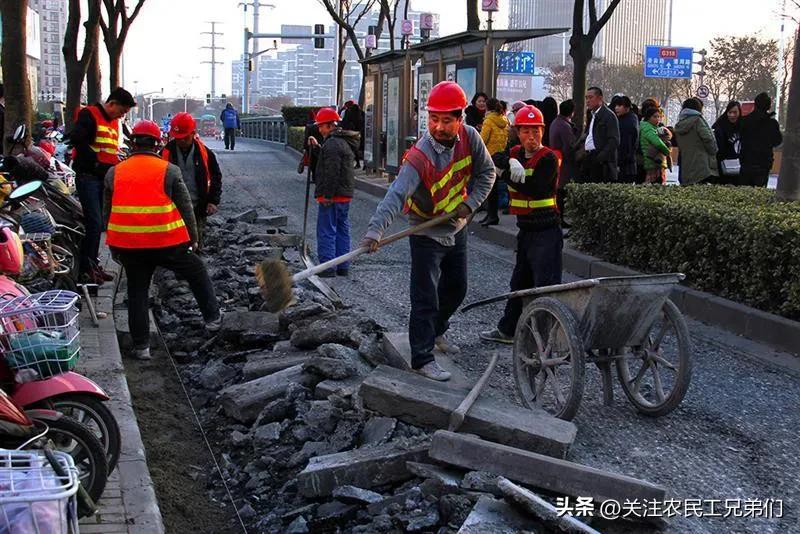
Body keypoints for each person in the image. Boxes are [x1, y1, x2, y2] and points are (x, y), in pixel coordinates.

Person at [359, 81, 495, 381]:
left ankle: (436, 331)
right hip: (425, 230)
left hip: (456, 226)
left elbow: (487, 174)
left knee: (457, 288)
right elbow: (395, 195)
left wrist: (470, 204)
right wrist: (375, 232)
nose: (439, 127)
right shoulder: (419, 156)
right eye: (434, 119)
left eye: (447, 120)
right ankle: (422, 358)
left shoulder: (470, 138)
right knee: (425, 297)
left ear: (460, 119)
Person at [103, 120, 221, 360]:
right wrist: (194, 239)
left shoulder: (114, 172)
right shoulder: (169, 170)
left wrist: (114, 245)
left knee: (137, 290)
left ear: (132, 143)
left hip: (129, 246)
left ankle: (142, 347)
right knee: (196, 270)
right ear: (157, 144)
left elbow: (107, 211)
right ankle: (213, 320)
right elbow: (185, 207)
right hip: (166, 243)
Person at [480, 105, 562, 344]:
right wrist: (510, 161)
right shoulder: (515, 151)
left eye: (535, 131)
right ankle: (509, 330)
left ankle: (549, 339)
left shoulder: (548, 158)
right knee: (519, 283)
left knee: (545, 287)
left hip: (547, 231)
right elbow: (495, 156)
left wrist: (505, 173)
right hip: (526, 230)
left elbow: (533, 188)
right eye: (526, 132)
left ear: (542, 131)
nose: (531, 137)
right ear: (518, 132)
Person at [68, 86, 136, 284]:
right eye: (121, 110)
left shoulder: (115, 122)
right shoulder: (89, 115)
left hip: (102, 178)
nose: (122, 115)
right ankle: (86, 269)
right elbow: (77, 140)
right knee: (94, 223)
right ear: (112, 103)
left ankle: (93, 264)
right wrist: (96, 163)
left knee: (99, 224)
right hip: (88, 176)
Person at [308, 108, 360, 277]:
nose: (320, 129)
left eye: (322, 126)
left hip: (332, 194)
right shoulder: (341, 141)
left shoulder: (332, 144)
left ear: (330, 126)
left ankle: (327, 266)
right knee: (342, 229)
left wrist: (328, 196)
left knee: (326, 230)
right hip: (344, 193)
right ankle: (342, 265)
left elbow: (331, 172)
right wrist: (317, 149)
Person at [161, 112, 223, 250]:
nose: (181, 141)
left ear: (192, 133)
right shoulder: (165, 153)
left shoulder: (205, 154)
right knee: (173, 245)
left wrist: (213, 200)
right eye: (177, 138)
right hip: (172, 209)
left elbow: (216, 176)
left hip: (198, 207)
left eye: (184, 137)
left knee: (196, 243)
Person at [478, 97, 510, 227]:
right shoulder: (504, 120)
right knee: (495, 187)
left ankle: (492, 215)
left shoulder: (488, 121)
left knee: (490, 188)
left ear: (487, 108)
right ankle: (491, 215)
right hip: (501, 156)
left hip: (489, 157)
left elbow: (482, 140)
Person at [739, 92, 782, 187]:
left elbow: (740, 138)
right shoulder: (771, 123)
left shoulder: (744, 121)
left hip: (746, 161)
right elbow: (777, 141)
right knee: (759, 192)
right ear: (768, 106)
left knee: (744, 192)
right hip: (763, 163)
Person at [674, 98, 717, 185]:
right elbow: (708, 138)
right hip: (701, 165)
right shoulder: (698, 121)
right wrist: (713, 150)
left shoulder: (679, 124)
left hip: (686, 165)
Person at [582, 87, 620, 183]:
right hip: (589, 157)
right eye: (586, 98)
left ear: (600, 98)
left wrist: (600, 157)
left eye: (590, 98)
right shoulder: (592, 115)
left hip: (602, 162)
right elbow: (589, 134)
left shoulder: (608, 116)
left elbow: (614, 140)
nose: (588, 101)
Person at [549, 99, 577, 220]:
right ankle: (559, 218)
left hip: (557, 159)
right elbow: (569, 147)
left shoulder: (556, 122)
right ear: (572, 112)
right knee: (561, 191)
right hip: (564, 162)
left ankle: (558, 217)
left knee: (559, 189)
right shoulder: (565, 126)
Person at [712, 101, 742, 185]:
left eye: (735, 112)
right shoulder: (720, 127)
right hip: (724, 168)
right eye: (730, 112)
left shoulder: (743, 126)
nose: (732, 115)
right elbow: (719, 149)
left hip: (740, 167)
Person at [639, 107, 672, 185]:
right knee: (654, 185)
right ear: (648, 117)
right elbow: (657, 143)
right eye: (654, 116)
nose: (657, 119)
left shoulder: (654, 127)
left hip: (656, 161)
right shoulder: (647, 128)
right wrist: (667, 152)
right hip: (652, 161)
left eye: (659, 117)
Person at [612, 95, 639, 183]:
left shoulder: (627, 122)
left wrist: (620, 161)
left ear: (627, 107)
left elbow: (626, 144)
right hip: (627, 163)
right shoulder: (629, 118)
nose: (616, 108)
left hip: (625, 164)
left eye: (619, 106)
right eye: (616, 106)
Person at [340, 102, 365, 168]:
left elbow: (345, 122)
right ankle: (366, 165)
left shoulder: (348, 112)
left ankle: (357, 163)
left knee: (354, 148)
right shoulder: (362, 112)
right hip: (361, 132)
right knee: (363, 149)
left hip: (352, 133)